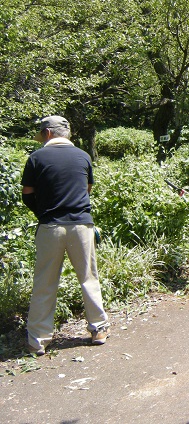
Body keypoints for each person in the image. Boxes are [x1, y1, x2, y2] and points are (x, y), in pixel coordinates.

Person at [21, 115, 109, 356]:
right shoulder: (83, 156)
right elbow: (87, 190)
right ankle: (98, 329)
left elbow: (27, 194)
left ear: (48, 133)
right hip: (82, 225)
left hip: (51, 227)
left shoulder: (36, 157)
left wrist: (44, 212)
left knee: (45, 283)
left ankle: (38, 340)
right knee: (89, 278)